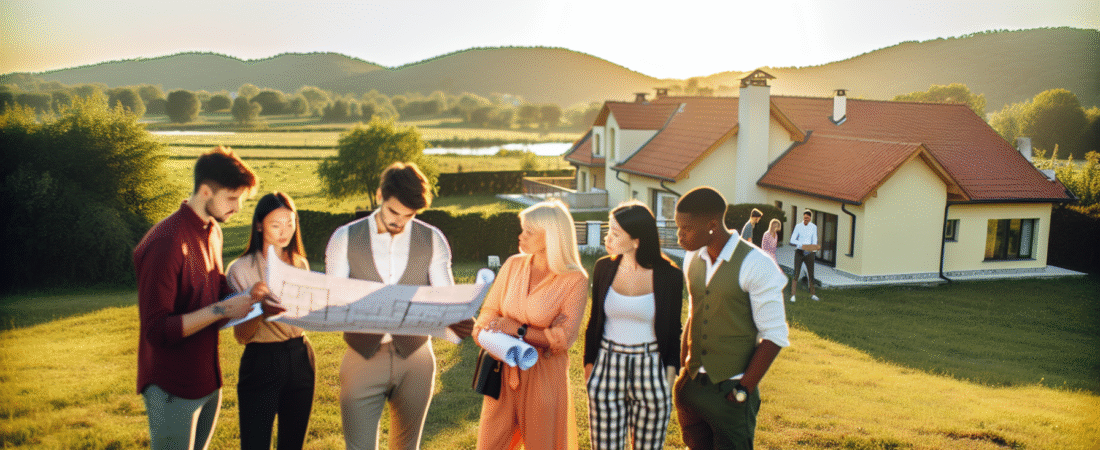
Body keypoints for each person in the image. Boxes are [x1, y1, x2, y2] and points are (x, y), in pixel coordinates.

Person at [325, 162, 473, 450]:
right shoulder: (344, 238)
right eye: (394, 212)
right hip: (362, 358)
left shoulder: (433, 239)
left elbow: (446, 296)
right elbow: (333, 301)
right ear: (380, 195)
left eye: (409, 215)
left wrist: (459, 319)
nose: (400, 222)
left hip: (416, 358)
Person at [134, 146, 268, 450]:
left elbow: (214, 287)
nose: (237, 208)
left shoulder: (212, 231)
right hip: (171, 387)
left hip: (208, 380)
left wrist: (250, 296)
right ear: (205, 191)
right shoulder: (166, 243)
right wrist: (222, 308)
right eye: (232, 199)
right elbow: (157, 330)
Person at [672, 187, 789, 450]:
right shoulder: (692, 258)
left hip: (731, 389)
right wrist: (683, 374)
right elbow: (695, 313)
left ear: (712, 225)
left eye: (686, 228)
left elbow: (775, 335)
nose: (679, 235)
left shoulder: (757, 264)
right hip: (692, 388)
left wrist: (742, 391)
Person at [473, 199, 589, 450]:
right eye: (522, 229)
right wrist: (490, 332)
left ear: (552, 237)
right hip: (501, 371)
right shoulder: (513, 264)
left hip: (544, 377)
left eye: (529, 231)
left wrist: (515, 328)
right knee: (490, 444)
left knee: (542, 445)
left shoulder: (575, 280)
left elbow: (561, 340)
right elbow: (487, 314)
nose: (521, 236)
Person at [584, 201, 682, 450]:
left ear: (637, 241)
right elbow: (594, 322)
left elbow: (673, 332)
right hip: (607, 365)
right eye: (608, 230)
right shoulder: (603, 268)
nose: (608, 238)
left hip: (650, 367)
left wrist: (666, 383)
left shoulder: (669, 276)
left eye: (615, 234)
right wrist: (590, 372)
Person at [226, 192, 315, 450]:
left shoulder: (300, 264)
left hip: (301, 356)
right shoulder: (240, 270)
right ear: (259, 225)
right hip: (261, 360)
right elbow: (242, 336)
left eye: (290, 223)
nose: (284, 231)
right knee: (255, 443)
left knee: (293, 444)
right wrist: (257, 307)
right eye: (276, 225)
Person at [788, 210, 820, 302]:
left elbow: (814, 239)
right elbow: (792, 239)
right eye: (805, 217)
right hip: (799, 251)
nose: (806, 219)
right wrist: (801, 244)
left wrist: (812, 248)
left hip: (809, 252)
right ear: (803, 217)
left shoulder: (813, 227)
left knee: (811, 273)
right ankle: (793, 295)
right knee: (796, 273)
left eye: (808, 218)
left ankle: (813, 294)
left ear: (810, 218)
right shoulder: (798, 226)